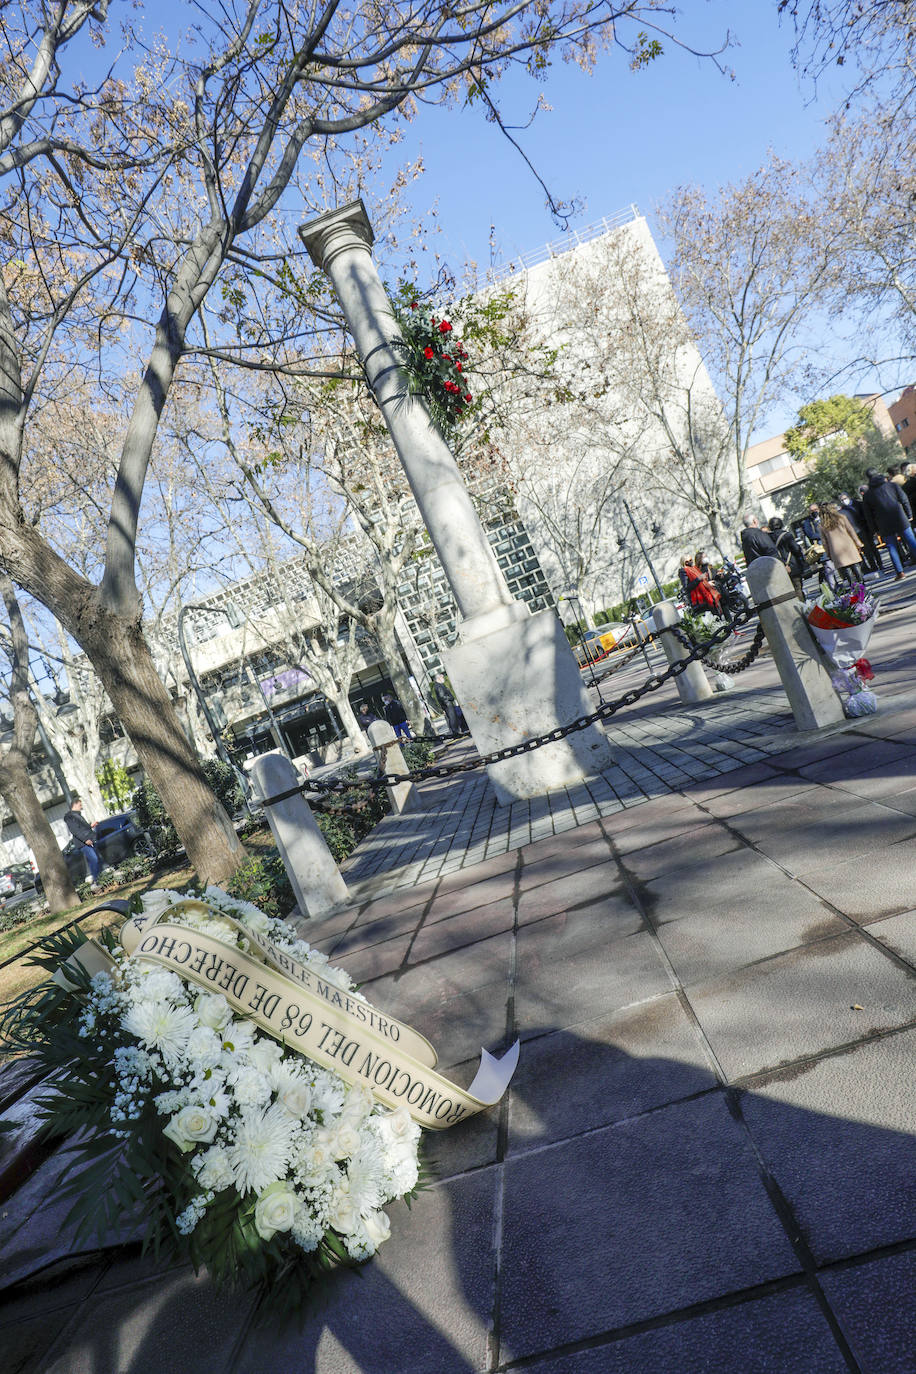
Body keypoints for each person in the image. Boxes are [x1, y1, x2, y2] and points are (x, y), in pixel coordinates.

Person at [861, 467, 916, 580]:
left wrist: (874, 529)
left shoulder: (867, 495)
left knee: (892, 547)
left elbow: (868, 515)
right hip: (900, 517)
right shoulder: (892, 485)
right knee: (911, 541)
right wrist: (909, 514)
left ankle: (900, 572)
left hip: (883, 524)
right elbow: (904, 499)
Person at [818, 502, 865, 587]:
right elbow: (851, 531)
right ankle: (861, 583)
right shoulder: (842, 518)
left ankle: (853, 586)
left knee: (845, 568)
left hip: (836, 550)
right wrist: (858, 543)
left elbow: (824, 542)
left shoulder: (822, 525)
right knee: (855, 564)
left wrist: (828, 553)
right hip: (848, 545)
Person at [63, 796, 102, 890]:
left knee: (93, 860)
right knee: (94, 859)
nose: (81, 807)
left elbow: (81, 828)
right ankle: (96, 880)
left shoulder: (77, 815)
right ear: (75, 804)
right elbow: (75, 831)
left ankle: (96, 879)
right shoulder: (70, 817)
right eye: (80, 805)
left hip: (87, 841)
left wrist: (90, 826)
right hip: (83, 843)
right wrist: (85, 840)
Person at [839, 491, 883, 573]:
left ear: (849, 497)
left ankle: (880, 563)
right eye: (842, 500)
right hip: (856, 532)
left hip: (865, 528)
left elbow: (866, 515)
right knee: (866, 550)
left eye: (845, 499)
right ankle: (873, 566)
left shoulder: (858, 504)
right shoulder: (843, 510)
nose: (844, 501)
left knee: (873, 547)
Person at [767, 516, 806, 599]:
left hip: (777, 568)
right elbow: (795, 549)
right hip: (792, 566)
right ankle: (803, 608)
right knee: (797, 588)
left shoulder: (767, 538)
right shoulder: (786, 535)